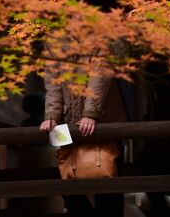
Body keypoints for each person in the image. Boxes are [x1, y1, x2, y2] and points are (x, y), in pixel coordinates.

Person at [39, 52, 127, 217]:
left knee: (107, 180)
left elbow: (100, 73)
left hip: (103, 120)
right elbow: (53, 82)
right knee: (68, 181)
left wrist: (91, 113)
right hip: (69, 123)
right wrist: (52, 115)